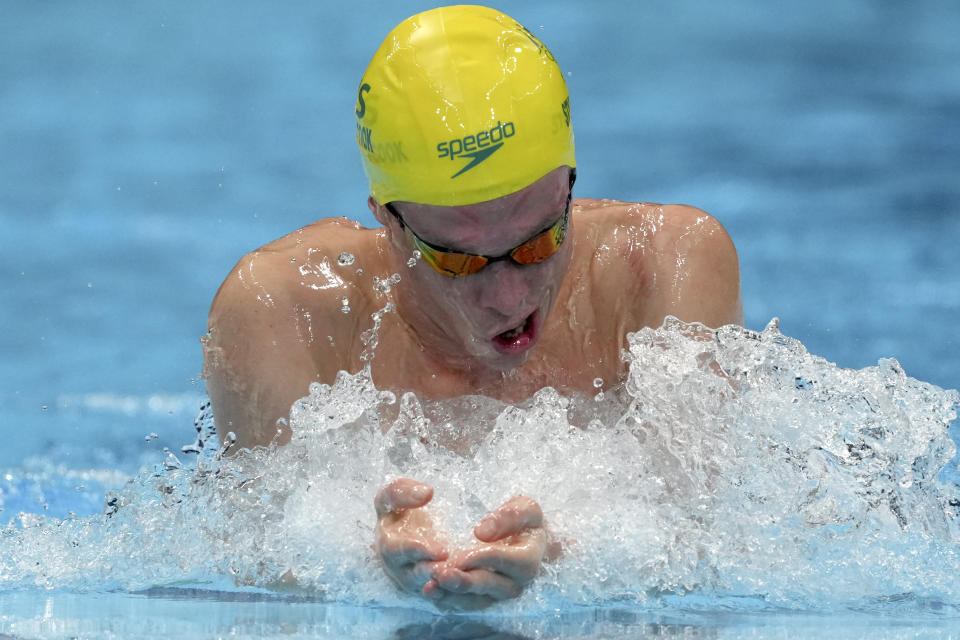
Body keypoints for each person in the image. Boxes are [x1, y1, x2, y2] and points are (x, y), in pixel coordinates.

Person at [202, 5, 742, 609]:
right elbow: (257, 564)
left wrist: (566, 555)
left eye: (540, 240)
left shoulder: (663, 269)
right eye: (457, 260)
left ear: (569, 182)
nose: (510, 298)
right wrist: (365, 561)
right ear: (387, 218)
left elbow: (706, 543)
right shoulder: (284, 310)